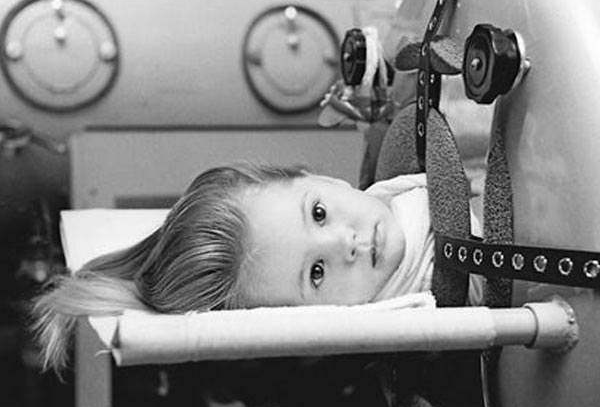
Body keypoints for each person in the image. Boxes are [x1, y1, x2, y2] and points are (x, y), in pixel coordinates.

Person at [32, 161, 476, 373]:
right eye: (316, 273)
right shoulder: (430, 291)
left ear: (315, 176)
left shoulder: (401, 184)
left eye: (318, 213)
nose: (348, 243)